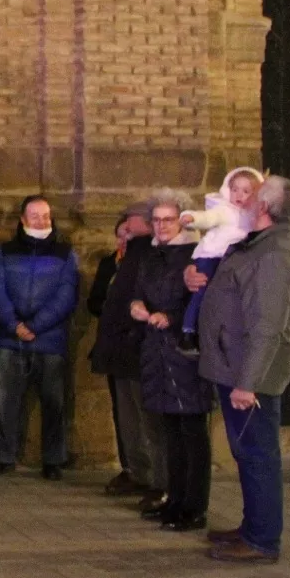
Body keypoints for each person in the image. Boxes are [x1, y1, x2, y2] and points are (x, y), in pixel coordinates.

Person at [198, 175, 290, 564]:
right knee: (248, 453)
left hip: (248, 376)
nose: (246, 197)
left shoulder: (275, 255)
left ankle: (262, 540)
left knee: (258, 454)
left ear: (264, 207)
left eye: (256, 193)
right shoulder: (260, 243)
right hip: (235, 365)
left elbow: (266, 325)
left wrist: (249, 383)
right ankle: (253, 526)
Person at [128, 190, 208, 532]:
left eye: (168, 220)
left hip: (183, 351)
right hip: (156, 350)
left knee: (191, 432)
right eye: (156, 220)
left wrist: (171, 317)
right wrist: (137, 306)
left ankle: (194, 507)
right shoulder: (151, 255)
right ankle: (174, 500)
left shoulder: (195, 254)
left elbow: (201, 300)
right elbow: (142, 291)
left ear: (182, 221)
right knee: (170, 432)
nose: (161, 226)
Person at [0, 194, 79, 480]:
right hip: (9, 338)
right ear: (23, 220)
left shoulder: (65, 253)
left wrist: (36, 325)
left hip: (49, 339)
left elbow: (66, 294)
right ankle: (3, 456)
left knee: (54, 402)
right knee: (5, 400)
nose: (41, 220)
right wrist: (15, 325)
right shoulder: (5, 251)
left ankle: (53, 458)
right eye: (35, 215)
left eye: (46, 215)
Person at [87, 204, 163, 499]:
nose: (126, 230)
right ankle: (136, 471)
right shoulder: (131, 256)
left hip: (137, 348)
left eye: (130, 224)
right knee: (128, 417)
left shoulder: (149, 255)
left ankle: (156, 478)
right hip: (120, 349)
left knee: (147, 420)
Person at [178, 167, 263, 354]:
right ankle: (188, 331)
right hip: (212, 255)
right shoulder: (225, 210)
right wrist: (192, 218)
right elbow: (208, 218)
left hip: (233, 260)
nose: (239, 195)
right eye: (235, 190)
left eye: (246, 191)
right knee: (201, 291)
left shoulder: (252, 216)